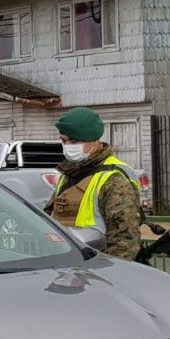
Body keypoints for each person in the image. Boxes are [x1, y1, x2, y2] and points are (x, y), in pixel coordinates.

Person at [46, 106, 141, 261]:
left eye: (74, 141)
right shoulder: (71, 172)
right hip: (68, 263)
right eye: (63, 141)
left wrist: (108, 271)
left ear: (94, 141)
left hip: (96, 265)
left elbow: (124, 240)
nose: (68, 146)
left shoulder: (113, 179)